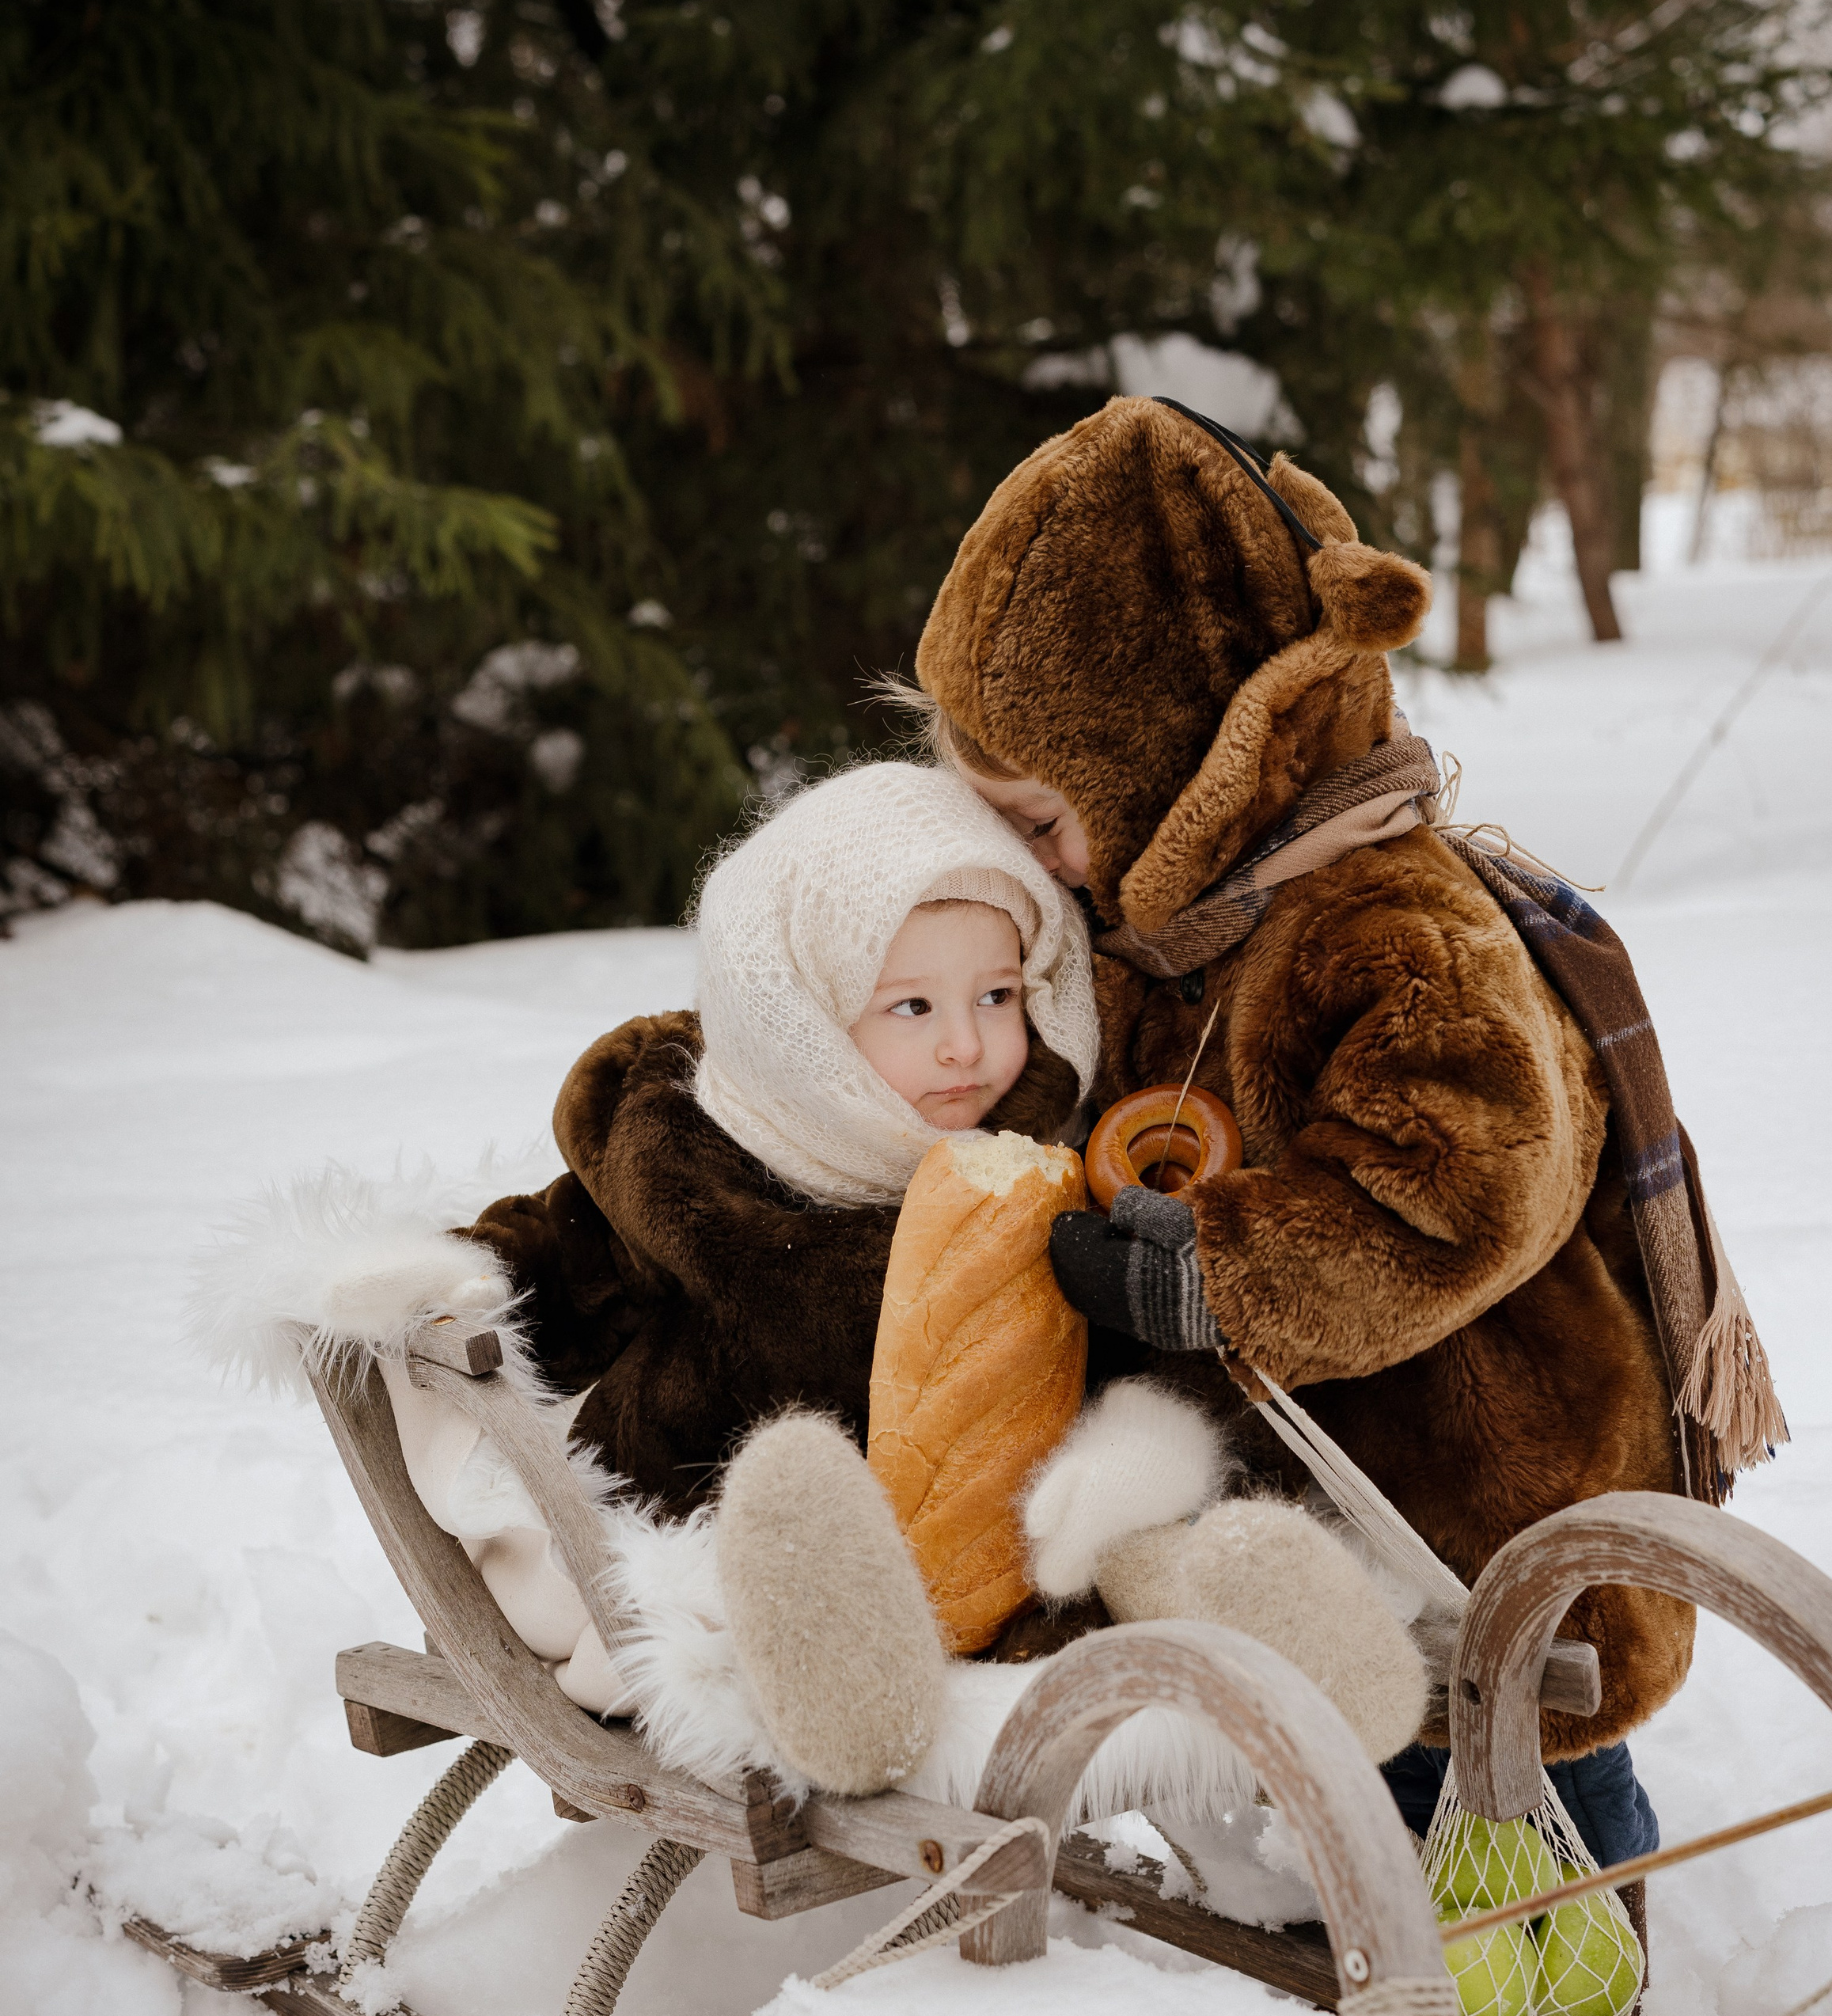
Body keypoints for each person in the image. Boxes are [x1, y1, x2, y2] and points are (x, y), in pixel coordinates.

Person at [905, 393, 1788, 1886]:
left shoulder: (1391, 924)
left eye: (1046, 819)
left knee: (1492, 1771)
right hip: (1308, 1497)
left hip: (1471, 1487)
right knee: (1353, 1747)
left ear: (1179, 762)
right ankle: (1333, 1915)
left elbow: (1459, 1187)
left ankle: (1581, 1989)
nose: (1037, 866)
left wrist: (1222, 1276)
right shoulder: (1160, 930)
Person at [199, 757, 1427, 1795]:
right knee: (782, 1505)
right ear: (800, 1017)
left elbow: (1117, 1351)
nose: (967, 1044)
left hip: (1004, 1552)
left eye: (998, 994)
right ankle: (846, 1683)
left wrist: (1135, 1445)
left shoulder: (1043, 1160)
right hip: (738, 1523)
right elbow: (544, 1275)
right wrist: (438, 1282)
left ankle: (1253, 1618)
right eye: (909, 1007)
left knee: (1132, 1502)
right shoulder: (694, 1160)